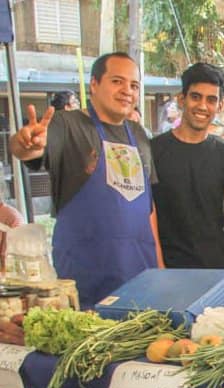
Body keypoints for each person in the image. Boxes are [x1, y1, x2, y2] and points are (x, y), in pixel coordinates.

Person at [11, 52, 163, 309]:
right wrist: (26, 143)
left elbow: (148, 207)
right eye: (117, 81)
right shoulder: (67, 125)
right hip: (86, 277)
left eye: (134, 85)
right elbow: (28, 148)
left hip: (141, 274)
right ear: (94, 84)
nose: (127, 90)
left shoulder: (138, 134)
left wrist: (159, 265)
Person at [152, 63, 224, 277]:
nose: (203, 106)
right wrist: (159, 267)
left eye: (211, 100)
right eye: (196, 97)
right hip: (169, 272)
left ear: (220, 106)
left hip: (216, 272)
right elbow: (149, 215)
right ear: (181, 99)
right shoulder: (153, 151)